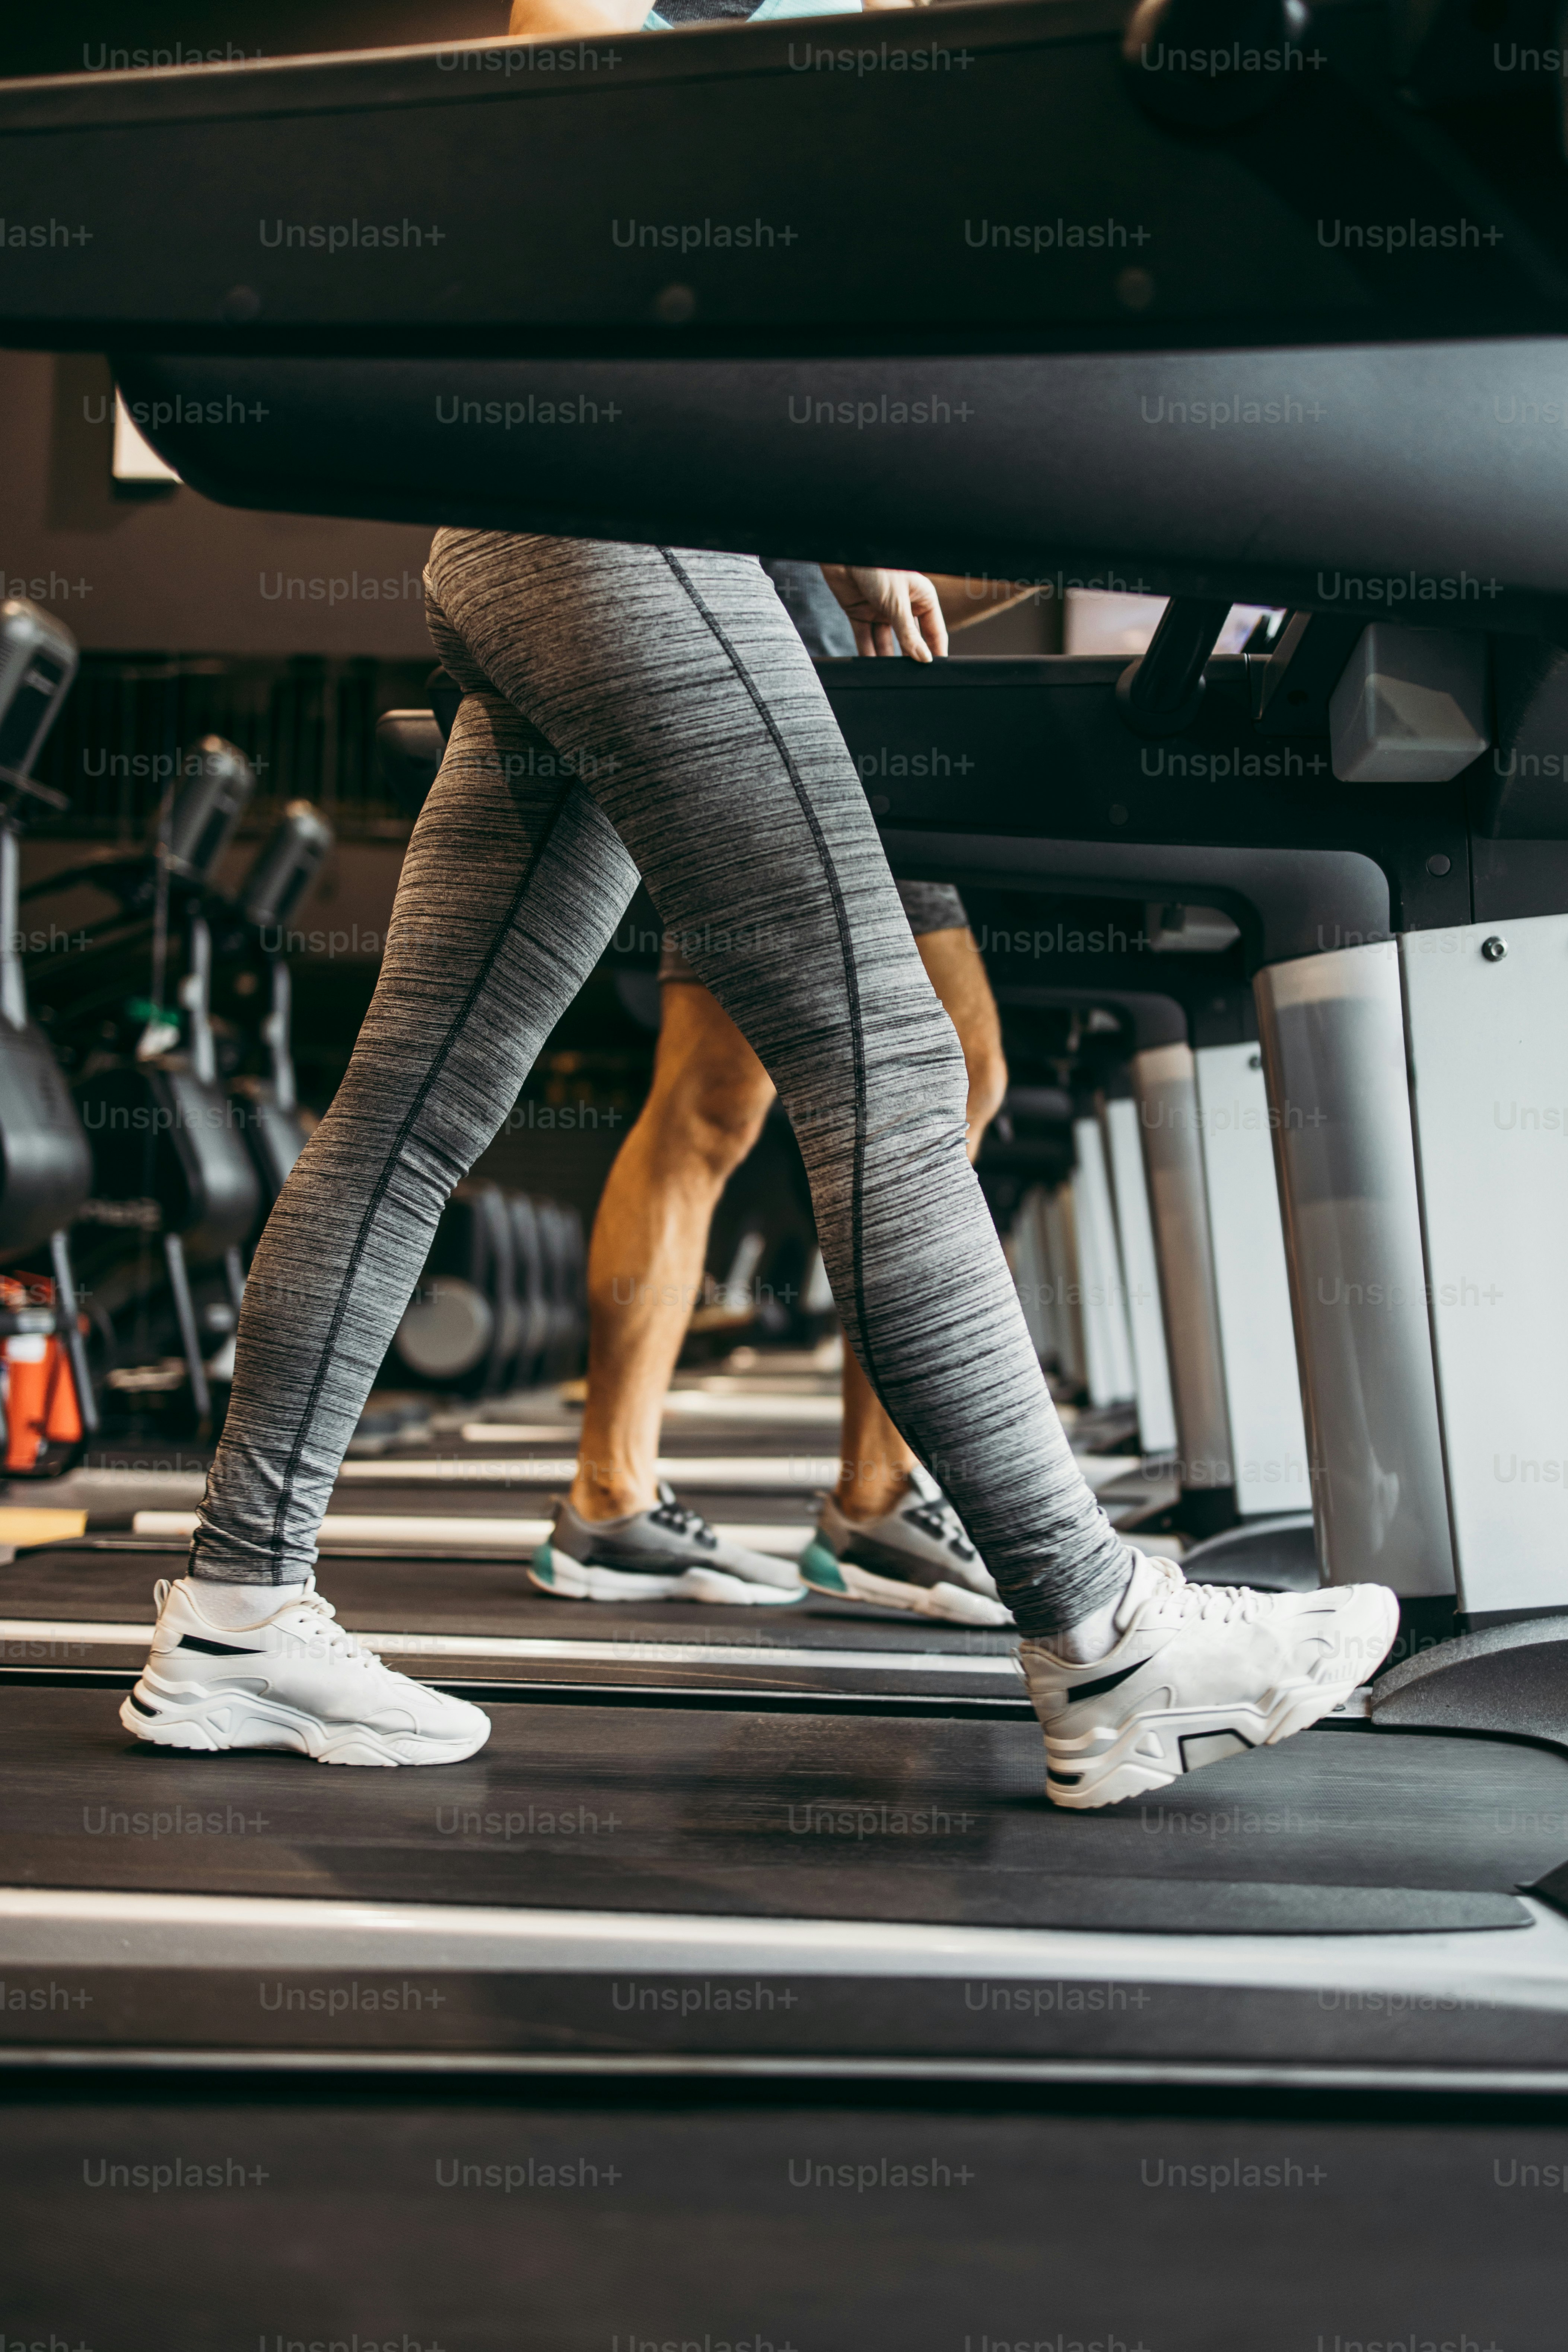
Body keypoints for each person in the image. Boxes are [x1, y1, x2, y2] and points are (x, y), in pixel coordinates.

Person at [115, 0, 1398, 1812]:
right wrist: (820, 484)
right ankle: (1106, 1640)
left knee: (409, 1111)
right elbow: (591, 161)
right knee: (888, 1056)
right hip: (622, 509)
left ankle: (238, 1606)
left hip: (542, 518)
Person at [534, 557, 1017, 1627]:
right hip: (789, 674)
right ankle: (869, 1498)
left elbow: (906, 576)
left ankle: (617, 1494)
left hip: (793, 657)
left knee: (710, 1102)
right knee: (944, 1069)